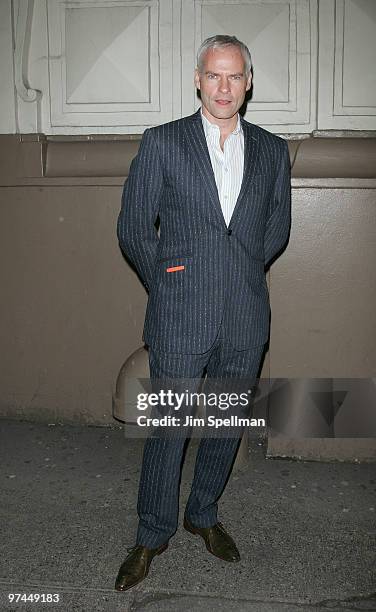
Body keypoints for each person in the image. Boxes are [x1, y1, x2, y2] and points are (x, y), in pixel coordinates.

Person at [115, 34, 291, 591]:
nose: (223, 87)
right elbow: (134, 229)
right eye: (213, 76)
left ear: (248, 82)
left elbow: (274, 231)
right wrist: (168, 284)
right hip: (180, 314)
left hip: (245, 314)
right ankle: (152, 531)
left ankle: (203, 514)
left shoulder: (270, 149)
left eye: (234, 76)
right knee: (171, 427)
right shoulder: (163, 142)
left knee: (224, 424)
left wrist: (237, 274)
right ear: (197, 79)